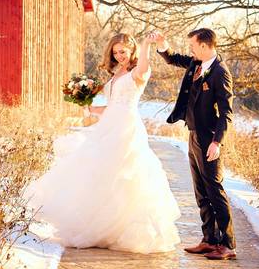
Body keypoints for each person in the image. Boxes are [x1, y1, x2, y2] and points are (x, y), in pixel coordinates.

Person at [24, 33, 181, 254]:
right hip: (108, 125)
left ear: (132, 50)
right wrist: (88, 107)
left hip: (126, 127)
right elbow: (111, 105)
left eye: (123, 52)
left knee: (124, 175)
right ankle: (99, 225)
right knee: (100, 173)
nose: (119, 56)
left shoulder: (139, 71)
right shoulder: (117, 73)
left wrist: (146, 45)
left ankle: (122, 229)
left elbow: (143, 68)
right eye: (115, 52)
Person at [154, 28, 236, 261]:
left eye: (192, 45)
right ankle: (209, 239)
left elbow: (226, 113)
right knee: (200, 190)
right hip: (193, 135)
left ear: (204, 45)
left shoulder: (220, 72)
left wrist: (217, 142)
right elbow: (173, 58)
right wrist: (162, 43)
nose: (190, 49)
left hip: (210, 138)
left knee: (214, 190)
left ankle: (227, 244)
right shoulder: (196, 63)